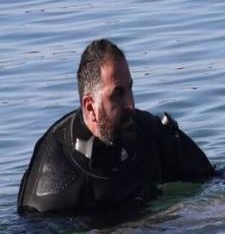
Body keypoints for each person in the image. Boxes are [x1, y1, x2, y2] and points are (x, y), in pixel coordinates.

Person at [18, 39, 214, 216]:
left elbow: (215, 180)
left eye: (130, 89)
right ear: (90, 107)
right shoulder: (54, 178)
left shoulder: (146, 131)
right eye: (117, 94)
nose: (130, 104)